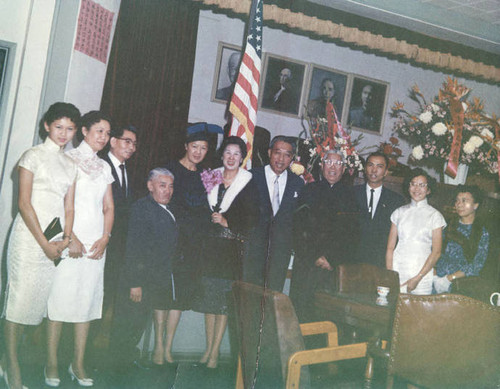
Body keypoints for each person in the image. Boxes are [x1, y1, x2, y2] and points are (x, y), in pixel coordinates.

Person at [1, 102, 80, 389]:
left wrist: (65, 240)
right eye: (59, 126)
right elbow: (24, 203)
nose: (64, 133)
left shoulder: (71, 163)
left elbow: (69, 208)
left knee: (32, 310)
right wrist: (45, 244)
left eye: (70, 128)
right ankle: (11, 368)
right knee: (17, 304)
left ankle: (6, 358)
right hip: (28, 237)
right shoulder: (32, 155)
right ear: (47, 125)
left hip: (54, 241)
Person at [46, 111, 114, 387]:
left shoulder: (105, 166)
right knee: (59, 302)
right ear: (84, 131)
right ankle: (51, 364)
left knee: (86, 304)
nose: (104, 138)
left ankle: (78, 363)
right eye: (99, 131)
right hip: (70, 240)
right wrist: (69, 236)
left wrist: (106, 237)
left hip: (96, 245)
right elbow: (58, 204)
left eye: (108, 133)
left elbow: (109, 207)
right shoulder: (67, 159)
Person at [193, 136, 257, 368]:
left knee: (223, 304)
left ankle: (214, 353)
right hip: (210, 248)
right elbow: (200, 207)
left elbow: (253, 217)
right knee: (209, 302)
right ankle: (208, 349)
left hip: (230, 250)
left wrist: (228, 222)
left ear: (242, 158)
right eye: (228, 153)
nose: (231, 157)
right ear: (222, 155)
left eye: (236, 154)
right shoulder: (212, 176)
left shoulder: (248, 181)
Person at [111, 168, 178, 370]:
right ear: (150, 186)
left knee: (137, 325)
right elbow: (134, 247)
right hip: (138, 281)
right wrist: (135, 284)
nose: (168, 190)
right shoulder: (142, 208)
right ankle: (117, 371)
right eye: (162, 185)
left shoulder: (163, 208)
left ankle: (126, 365)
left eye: (171, 186)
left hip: (152, 280)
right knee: (128, 325)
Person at [163, 123, 215, 363]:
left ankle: (169, 348)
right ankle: (162, 349)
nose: (198, 152)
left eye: (203, 148)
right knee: (167, 296)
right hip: (173, 242)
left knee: (182, 298)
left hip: (197, 246)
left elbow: (217, 206)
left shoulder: (209, 174)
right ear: (186, 146)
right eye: (194, 146)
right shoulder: (170, 169)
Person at [290, 150, 359, 323]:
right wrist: (314, 256)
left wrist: (331, 259)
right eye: (329, 162)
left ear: (343, 169)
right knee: (302, 313)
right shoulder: (307, 191)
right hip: (307, 264)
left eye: (338, 164)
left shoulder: (352, 197)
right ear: (322, 166)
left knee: (327, 317)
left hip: (333, 267)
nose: (333, 167)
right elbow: (298, 228)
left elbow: (352, 235)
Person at [94, 124, 138, 352]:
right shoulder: (102, 166)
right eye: (126, 141)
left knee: (108, 294)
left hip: (117, 245)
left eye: (134, 143)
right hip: (100, 240)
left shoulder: (125, 169)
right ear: (113, 141)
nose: (131, 147)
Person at [245, 135, 304, 292]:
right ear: (270, 152)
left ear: (292, 158)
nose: (281, 159)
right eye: (277, 152)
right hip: (253, 251)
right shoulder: (251, 177)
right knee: (248, 297)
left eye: (287, 155)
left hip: (280, 253)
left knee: (272, 297)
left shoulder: (297, 183)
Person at [386, 168, 446, 295]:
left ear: (428, 190)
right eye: (413, 184)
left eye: (422, 185)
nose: (416, 188)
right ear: (408, 187)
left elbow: (436, 252)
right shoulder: (398, 213)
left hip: (422, 275)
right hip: (398, 271)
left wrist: (418, 278)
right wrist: (390, 274)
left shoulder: (435, 216)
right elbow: (390, 248)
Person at [433, 185, 490, 293]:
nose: (459, 204)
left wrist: (449, 279)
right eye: (457, 201)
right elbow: (435, 251)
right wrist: (435, 276)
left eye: (464, 201)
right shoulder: (448, 226)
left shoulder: (481, 232)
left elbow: (477, 264)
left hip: (460, 285)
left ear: (476, 205)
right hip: (437, 280)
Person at [354, 152, 404, 267]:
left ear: (386, 172)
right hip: (353, 260)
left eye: (379, 167)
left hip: (380, 262)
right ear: (365, 168)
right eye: (370, 165)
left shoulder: (396, 200)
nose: (374, 170)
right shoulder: (351, 194)